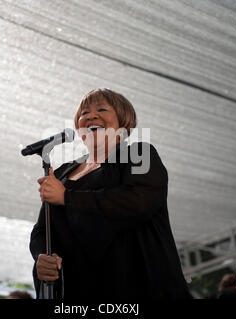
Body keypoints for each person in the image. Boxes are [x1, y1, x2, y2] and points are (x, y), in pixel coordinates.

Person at [29, 88, 192, 300]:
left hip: (137, 288)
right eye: (83, 113)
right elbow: (43, 229)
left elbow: (137, 202)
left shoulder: (138, 154)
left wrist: (67, 198)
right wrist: (42, 255)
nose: (90, 116)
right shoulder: (62, 173)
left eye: (102, 109)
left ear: (123, 121)